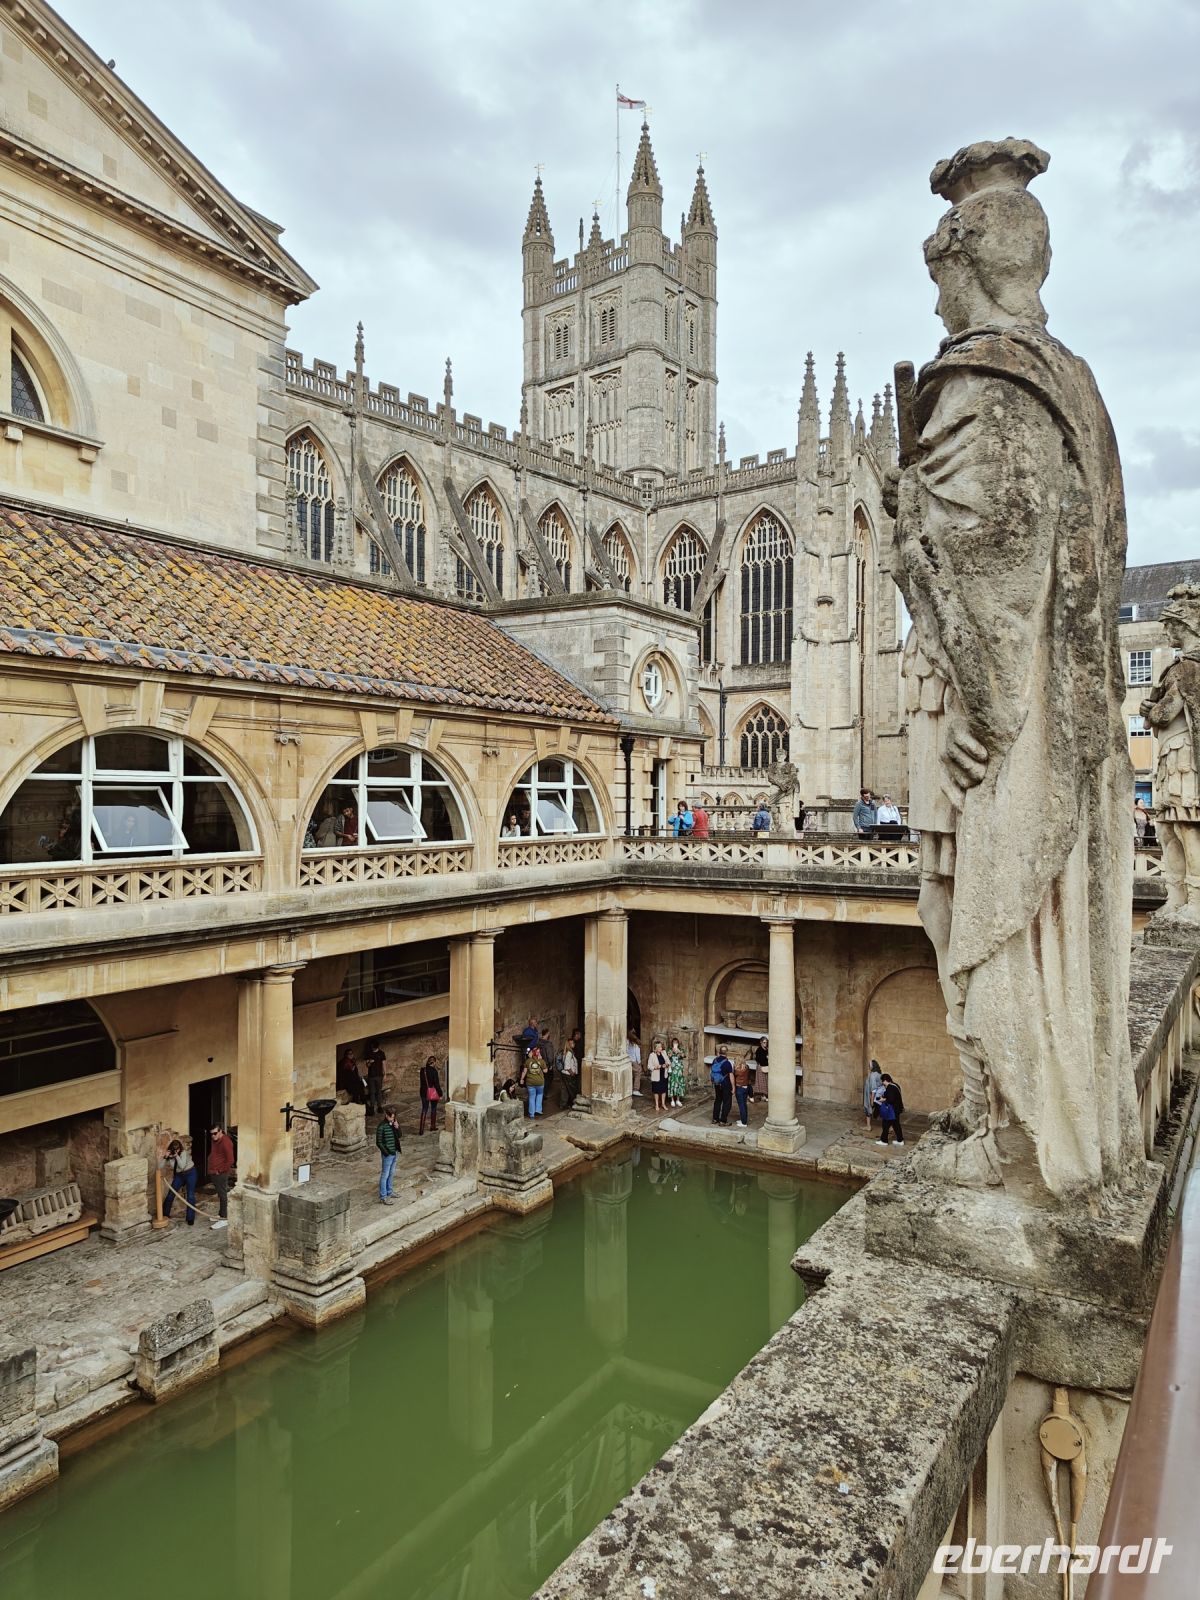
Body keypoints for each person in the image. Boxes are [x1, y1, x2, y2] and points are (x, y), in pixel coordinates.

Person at [888, 138, 1140, 1199]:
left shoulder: (985, 381)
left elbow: (986, 563)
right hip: (1070, 714)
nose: (935, 299)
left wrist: (905, 515)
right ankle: (1028, 1126)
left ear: (973, 265)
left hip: (1009, 726)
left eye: (941, 274)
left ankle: (1017, 1140)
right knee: (1017, 924)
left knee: (986, 920)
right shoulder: (1075, 384)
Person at [161, 1137, 196, 1226]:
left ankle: (190, 1218)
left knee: (190, 1196)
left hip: (190, 1173)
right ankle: (165, 1214)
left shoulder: (183, 1153)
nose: (176, 1151)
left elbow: (182, 1166)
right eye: (174, 1150)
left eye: (178, 1149)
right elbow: (159, 1167)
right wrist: (165, 1157)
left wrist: (176, 1156)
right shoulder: (171, 1155)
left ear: (180, 1148)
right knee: (171, 1194)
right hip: (179, 1175)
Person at [208, 1124, 235, 1230]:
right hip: (214, 1172)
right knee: (220, 1194)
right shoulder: (215, 1140)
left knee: (223, 1195)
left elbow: (230, 1160)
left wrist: (220, 1170)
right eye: (211, 1134)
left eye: (215, 1133)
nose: (213, 1136)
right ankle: (221, 1214)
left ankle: (224, 1218)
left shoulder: (226, 1142)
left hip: (220, 1173)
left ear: (220, 1131)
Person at [376, 1106, 401, 1203]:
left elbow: (399, 1136)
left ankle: (390, 1191)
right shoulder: (381, 1127)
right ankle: (383, 1196)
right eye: (391, 1117)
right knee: (385, 1175)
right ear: (386, 1115)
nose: (392, 1119)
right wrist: (386, 1152)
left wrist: (397, 1127)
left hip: (395, 1152)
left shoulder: (393, 1124)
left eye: (393, 1117)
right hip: (388, 1154)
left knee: (391, 1173)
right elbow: (379, 1142)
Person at [875, 1073, 905, 1147]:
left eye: (882, 1081)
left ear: (885, 1080)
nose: (882, 1083)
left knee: (885, 1124)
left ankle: (884, 1141)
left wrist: (883, 1099)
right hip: (897, 1109)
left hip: (892, 1110)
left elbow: (891, 1099)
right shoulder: (895, 1085)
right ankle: (900, 1140)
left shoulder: (890, 1087)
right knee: (896, 1125)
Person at [418, 1055, 442, 1134]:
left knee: (424, 1109)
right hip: (432, 1092)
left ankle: (421, 1130)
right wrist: (440, 1093)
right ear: (433, 1062)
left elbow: (422, 1082)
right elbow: (437, 1084)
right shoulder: (434, 1071)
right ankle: (432, 1126)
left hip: (423, 1091)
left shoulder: (423, 1070)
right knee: (433, 1108)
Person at [710, 1047, 733, 1125]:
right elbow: (731, 1076)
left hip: (717, 1083)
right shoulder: (727, 1063)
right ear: (726, 1053)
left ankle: (715, 1119)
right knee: (727, 1102)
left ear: (719, 1052)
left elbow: (712, 1071)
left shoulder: (714, 1060)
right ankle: (723, 1120)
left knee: (718, 1100)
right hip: (725, 1084)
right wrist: (733, 1087)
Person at [521, 1046, 546, 1117]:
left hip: (530, 1083)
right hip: (540, 1082)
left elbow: (524, 1071)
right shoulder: (542, 1061)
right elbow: (545, 1071)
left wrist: (521, 1079)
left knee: (531, 1097)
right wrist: (541, 1061)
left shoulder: (528, 1061)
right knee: (539, 1095)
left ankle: (531, 1114)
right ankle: (538, 1110)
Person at [364, 1039, 387, 1115]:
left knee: (379, 1091)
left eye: (373, 1047)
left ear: (376, 1046)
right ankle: (372, 1107)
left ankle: (379, 1106)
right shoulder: (369, 1053)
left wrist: (385, 1074)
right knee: (372, 1092)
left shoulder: (381, 1053)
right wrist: (370, 1062)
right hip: (371, 1076)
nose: (372, 1048)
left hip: (379, 1075)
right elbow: (367, 1065)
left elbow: (384, 1064)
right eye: (371, 1047)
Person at [647, 1039, 670, 1112]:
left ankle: (663, 1104)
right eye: (659, 1047)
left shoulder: (664, 1053)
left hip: (664, 1075)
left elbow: (668, 1061)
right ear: (655, 1048)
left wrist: (666, 1064)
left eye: (661, 1046)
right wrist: (656, 1067)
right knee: (656, 1091)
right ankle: (657, 1104)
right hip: (656, 1075)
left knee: (664, 1090)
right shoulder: (652, 1055)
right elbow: (649, 1066)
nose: (661, 1048)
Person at [864, 1058, 884, 1131]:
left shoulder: (873, 1075)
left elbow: (873, 1089)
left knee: (868, 1109)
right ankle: (890, 1127)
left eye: (869, 1065)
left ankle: (868, 1126)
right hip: (879, 1095)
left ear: (873, 1066)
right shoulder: (878, 1073)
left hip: (872, 1096)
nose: (869, 1066)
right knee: (882, 1110)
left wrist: (871, 1100)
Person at [667, 1036, 687, 1108]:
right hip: (672, 1069)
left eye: (676, 1042)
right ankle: (672, 1100)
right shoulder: (669, 1050)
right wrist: (672, 1051)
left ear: (678, 1043)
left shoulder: (681, 1049)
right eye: (674, 1042)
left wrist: (679, 1051)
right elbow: (667, 1057)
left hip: (679, 1070)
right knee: (672, 1083)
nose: (675, 1044)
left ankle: (678, 1100)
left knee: (679, 1083)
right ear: (672, 1043)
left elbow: (684, 1056)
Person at [732, 1055, 752, 1127]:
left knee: (741, 1106)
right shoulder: (747, 1067)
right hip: (746, 1087)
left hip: (739, 1088)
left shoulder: (736, 1070)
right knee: (744, 1104)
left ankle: (744, 1123)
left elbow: (733, 1076)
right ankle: (744, 1119)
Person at [560, 1040, 580, 1108]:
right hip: (568, 1074)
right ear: (569, 1044)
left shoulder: (566, 1052)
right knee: (572, 1090)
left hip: (565, 1074)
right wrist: (572, 1073)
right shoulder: (569, 1053)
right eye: (572, 1043)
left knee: (565, 1090)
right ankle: (574, 1103)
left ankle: (563, 1104)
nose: (574, 1044)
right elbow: (567, 1066)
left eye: (573, 1043)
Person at [627, 1029, 643, 1096]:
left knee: (630, 1074)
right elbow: (637, 1055)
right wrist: (639, 1063)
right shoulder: (636, 1044)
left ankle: (629, 1088)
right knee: (638, 1073)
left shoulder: (626, 1042)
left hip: (627, 1060)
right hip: (634, 1061)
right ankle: (636, 1089)